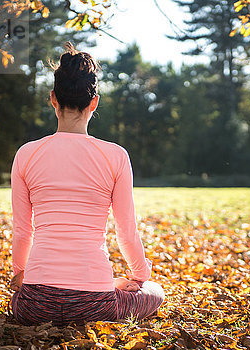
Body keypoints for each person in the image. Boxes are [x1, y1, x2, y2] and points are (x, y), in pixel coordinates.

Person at [9, 43, 164, 326]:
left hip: (34, 306)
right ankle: (115, 283)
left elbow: (22, 231)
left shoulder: (26, 154)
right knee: (156, 292)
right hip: (94, 304)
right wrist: (139, 278)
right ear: (94, 103)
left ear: (53, 99)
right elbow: (126, 231)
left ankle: (103, 283)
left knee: (17, 299)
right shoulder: (116, 156)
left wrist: (21, 272)